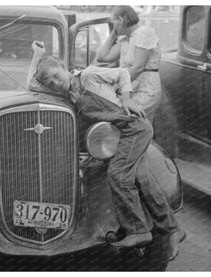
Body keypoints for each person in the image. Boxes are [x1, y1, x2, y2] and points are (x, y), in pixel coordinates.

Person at [27, 41, 186, 261]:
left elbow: (122, 73)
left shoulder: (89, 76)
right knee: (142, 178)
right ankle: (172, 230)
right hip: (122, 135)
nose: (55, 83)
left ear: (64, 66)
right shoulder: (69, 94)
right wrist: (38, 55)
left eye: (56, 75)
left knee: (118, 175)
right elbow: (32, 84)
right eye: (51, 82)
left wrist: (128, 98)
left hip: (134, 129)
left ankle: (138, 230)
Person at [97, 5, 162, 122]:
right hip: (130, 88)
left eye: (114, 21)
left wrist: (116, 87)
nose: (113, 25)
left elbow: (138, 68)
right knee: (129, 123)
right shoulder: (126, 39)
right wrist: (113, 34)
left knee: (131, 122)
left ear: (121, 20)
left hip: (145, 88)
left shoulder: (144, 33)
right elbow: (102, 57)